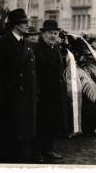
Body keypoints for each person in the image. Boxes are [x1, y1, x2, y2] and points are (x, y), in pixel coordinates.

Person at [0, 8, 37, 163]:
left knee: (24, 135)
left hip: (27, 96)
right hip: (10, 97)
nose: (27, 25)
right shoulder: (2, 43)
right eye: (24, 22)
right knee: (10, 134)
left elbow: (32, 72)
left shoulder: (27, 44)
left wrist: (35, 91)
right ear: (15, 25)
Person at [34, 20, 68, 163]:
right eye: (50, 33)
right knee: (40, 124)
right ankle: (37, 152)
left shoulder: (57, 49)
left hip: (55, 93)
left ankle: (48, 149)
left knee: (51, 123)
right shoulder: (37, 49)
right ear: (43, 34)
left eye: (55, 33)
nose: (53, 35)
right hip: (42, 94)